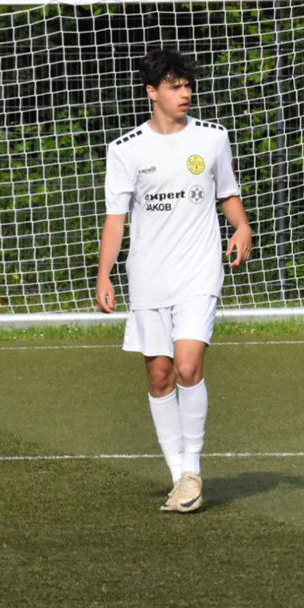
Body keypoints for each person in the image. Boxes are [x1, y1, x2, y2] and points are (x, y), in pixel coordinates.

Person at [94, 47, 253, 513]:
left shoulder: (212, 139)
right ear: (152, 93)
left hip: (198, 271)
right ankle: (178, 474)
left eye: (187, 86)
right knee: (160, 377)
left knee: (187, 367)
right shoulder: (126, 149)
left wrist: (242, 226)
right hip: (147, 277)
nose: (185, 93)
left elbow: (228, 193)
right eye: (174, 86)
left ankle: (192, 470)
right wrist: (104, 274)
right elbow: (116, 219)